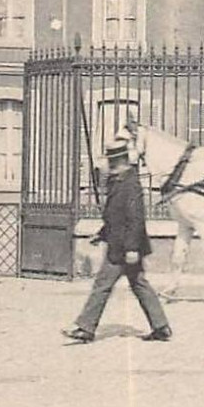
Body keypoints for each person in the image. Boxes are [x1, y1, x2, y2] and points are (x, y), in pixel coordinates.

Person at [63, 135, 172, 344]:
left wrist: (131, 248)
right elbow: (116, 216)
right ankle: (161, 326)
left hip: (124, 248)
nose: (108, 166)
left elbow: (135, 219)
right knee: (139, 284)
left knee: (102, 284)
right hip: (122, 244)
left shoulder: (130, 185)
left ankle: (85, 327)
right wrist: (102, 233)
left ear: (119, 162)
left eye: (111, 162)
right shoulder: (119, 182)